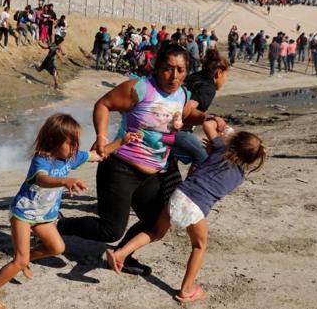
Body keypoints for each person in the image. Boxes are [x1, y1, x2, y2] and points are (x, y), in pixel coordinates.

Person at [57, 43, 227, 276]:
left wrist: (208, 116)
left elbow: (187, 115)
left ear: (186, 72)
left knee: (156, 222)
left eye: (180, 70)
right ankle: (59, 225)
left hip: (152, 173)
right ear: (158, 68)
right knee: (110, 230)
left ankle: (123, 256)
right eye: (168, 69)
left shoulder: (182, 94)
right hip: (120, 167)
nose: (174, 76)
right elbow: (104, 105)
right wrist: (102, 137)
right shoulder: (140, 88)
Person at [0, 113, 141, 309]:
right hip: (23, 213)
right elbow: (41, 179)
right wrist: (65, 181)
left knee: (57, 248)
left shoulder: (71, 158)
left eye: (76, 143)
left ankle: (25, 259)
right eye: (70, 143)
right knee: (20, 260)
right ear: (52, 141)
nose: (74, 149)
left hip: (44, 216)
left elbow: (98, 155)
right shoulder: (42, 159)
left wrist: (122, 142)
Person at [106, 121, 266, 303]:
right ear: (252, 160)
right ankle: (186, 290)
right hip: (196, 207)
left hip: (179, 194)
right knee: (199, 246)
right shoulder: (239, 176)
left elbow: (207, 124)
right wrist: (221, 145)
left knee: (156, 232)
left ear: (232, 142)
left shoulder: (220, 149)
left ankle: (120, 253)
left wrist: (223, 128)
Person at [172, 49, 230, 167]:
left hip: (163, 121)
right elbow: (187, 108)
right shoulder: (208, 88)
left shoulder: (194, 76)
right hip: (177, 129)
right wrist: (210, 118)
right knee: (204, 159)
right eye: (225, 76)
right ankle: (190, 186)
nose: (224, 80)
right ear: (218, 73)